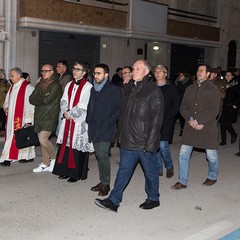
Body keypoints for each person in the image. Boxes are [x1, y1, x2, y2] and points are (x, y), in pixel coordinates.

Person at [94, 60, 164, 212]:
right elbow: (122, 113)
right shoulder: (129, 88)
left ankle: (153, 198)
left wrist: (150, 144)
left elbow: (157, 121)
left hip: (144, 141)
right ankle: (113, 201)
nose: (134, 71)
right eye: (133, 68)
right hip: (128, 140)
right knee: (123, 172)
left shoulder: (153, 91)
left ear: (146, 72)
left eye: (137, 69)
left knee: (150, 173)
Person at [171, 64, 221, 190]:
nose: (199, 72)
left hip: (207, 127)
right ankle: (182, 181)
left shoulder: (213, 89)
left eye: (202, 71)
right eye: (198, 70)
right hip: (190, 127)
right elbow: (183, 107)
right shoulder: (190, 89)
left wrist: (199, 121)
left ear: (208, 74)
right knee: (183, 154)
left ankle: (212, 176)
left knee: (211, 156)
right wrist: (191, 120)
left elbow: (215, 110)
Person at [52, 61, 94, 182]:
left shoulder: (88, 87)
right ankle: (64, 170)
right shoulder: (69, 84)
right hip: (68, 119)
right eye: (74, 69)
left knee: (76, 148)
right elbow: (63, 99)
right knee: (66, 145)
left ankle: (75, 174)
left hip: (79, 122)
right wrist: (65, 111)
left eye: (78, 69)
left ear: (84, 72)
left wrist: (71, 114)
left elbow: (84, 105)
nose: (74, 71)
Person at [86, 63, 122, 196]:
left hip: (106, 128)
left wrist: (109, 121)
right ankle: (102, 181)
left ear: (106, 75)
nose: (96, 76)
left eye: (99, 73)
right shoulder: (93, 89)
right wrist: (88, 119)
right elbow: (90, 106)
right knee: (98, 156)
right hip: (94, 127)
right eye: (95, 73)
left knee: (102, 155)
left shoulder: (114, 89)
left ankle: (106, 184)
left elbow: (118, 109)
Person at [0, 67, 35, 166]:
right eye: (10, 76)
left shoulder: (27, 87)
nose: (10, 78)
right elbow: (7, 100)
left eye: (12, 76)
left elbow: (30, 105)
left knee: (22, 137)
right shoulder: (12, 86)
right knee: (12, 136)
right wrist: (6, 107)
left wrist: (28, 120)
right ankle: (14, 156)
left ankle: (13, 157)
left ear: (19, 76)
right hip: (11, 117)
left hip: (22, 118)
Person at [30, 64, 62, 173]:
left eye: (46, 71)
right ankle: (45, 163)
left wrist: (39, 98)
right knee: (42, 140)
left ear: (52, 72)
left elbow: (46, 100)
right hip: (39, 115)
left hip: (49, 115)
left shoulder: (55, 85)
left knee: (43, 138)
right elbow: (31, 99)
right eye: (42, 71)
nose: (43, 73)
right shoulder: (39, 84)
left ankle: (54, 158)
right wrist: (41, 98)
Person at [154, 65, 180, 178]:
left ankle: (169, 166)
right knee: (155, 146)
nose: (158, 73)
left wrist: (167, 117)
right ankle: (158, 168)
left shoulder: (172, 87)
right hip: (153, 122)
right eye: (156, 71)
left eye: (161, 71)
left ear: (165, 74)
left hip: (166, 121)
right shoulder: (151, 87)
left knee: (163, 145)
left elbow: (176, 106)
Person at [219, 70, 240, 146]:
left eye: (229, 75)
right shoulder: (223, 85)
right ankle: (223, 140)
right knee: (222, 124)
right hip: (223, 107)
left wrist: (236, 104)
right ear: (224, 76)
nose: (228, 76)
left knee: (227, 123)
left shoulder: (235, 85)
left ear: (232, 76)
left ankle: (234, 134)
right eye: (226, 75)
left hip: (231, 107)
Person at [175, 72, 192, 136]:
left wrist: (179, 84)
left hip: (185, 102)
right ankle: (182, 129)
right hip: (178, 102)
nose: (180, 76)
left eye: (181, 75)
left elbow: (182, 91)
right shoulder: (176, 82)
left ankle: (184, 130)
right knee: (179, 116)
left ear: (185, 76)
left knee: (183, 117)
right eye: (179, 75)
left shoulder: (188, 83)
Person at [0, 69, 10, 136]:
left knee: (4, 118)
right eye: (4, 74)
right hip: (0, 102)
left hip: (4, 103)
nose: (5, 75)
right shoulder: (2, 83)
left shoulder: (6, 82)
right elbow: (3, 89)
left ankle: (3, 130)